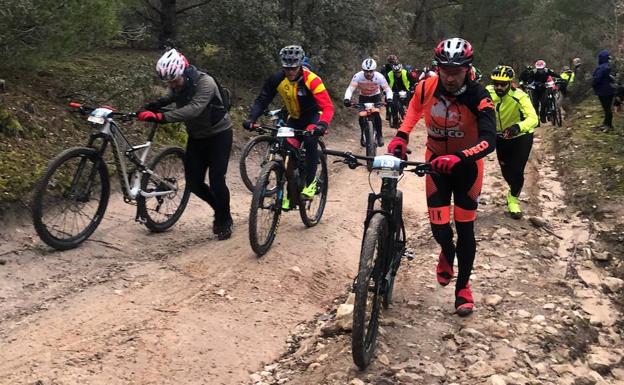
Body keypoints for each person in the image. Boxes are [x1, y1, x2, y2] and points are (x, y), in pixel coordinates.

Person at [387, 38, 496, 316]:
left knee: (465, 229)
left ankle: (463, 288)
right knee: (439, 228)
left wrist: (461, 157)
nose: (449, 76)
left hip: (467, 167)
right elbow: (412, 109)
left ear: (468, 70)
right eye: (444, 69)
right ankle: (447, 252)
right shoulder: (426, 87)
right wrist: (401, 135)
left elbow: (489, 140)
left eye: (456, 71)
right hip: (435, 162)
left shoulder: (479, 96)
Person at [140, 48, 234, 240]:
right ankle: (220, 209)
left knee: (217, 181)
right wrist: (156, 104)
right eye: (169, 82)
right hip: (197, 136)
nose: (172, 85)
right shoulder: (178, 83)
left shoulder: (205, 82)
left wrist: (161, 117)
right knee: (194, 183)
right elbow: (173, 96)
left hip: (219, 135)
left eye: (174, 81)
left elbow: (194, 109)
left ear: (183, 71)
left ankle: (224, 219)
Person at [244, 45, 334, 209]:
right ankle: (290, 194)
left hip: (314, 116)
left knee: (309, 138)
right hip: (295, 118)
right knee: (285, 149)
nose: (290, 71)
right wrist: (251, 118)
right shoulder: (277, 78)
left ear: (300, 64)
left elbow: (328, 107)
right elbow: (262, 100)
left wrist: (322, 124)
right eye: (287, 68)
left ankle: (311, 182)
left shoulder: (312, 80)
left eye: (293, 67)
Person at [486, 65, 538, 219]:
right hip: (500, 137)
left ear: (510, 83)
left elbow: (533, 118)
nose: (499, 87)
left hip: (521, 137)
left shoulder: (519, 95)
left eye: (503, 84)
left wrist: (518, 127)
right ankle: (513, 187)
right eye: (496, 83)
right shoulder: (487, 92)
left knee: (516, 171)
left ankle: (513, 199)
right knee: (506, 171)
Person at [344, 58, 393, 147]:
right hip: (363, 97)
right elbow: (350, 89)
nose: (368, 73)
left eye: (371, 71)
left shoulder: (379, 77)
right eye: (366, 71)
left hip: (376, 97)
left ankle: (379, 136)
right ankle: (363, 135)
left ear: (374, 70)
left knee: (376, 115)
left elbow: (387, 90)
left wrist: (389, 99)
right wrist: (347, 99)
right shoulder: (358, 76)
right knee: (361, 116)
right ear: (363, 70)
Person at [592, 50, 616, 131]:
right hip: (611, 90)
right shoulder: (610, 66)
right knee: (608, 108)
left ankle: (608, 125)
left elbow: (597, 79)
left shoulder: (602, 67)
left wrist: (593, 84)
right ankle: (606, 123)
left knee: (607, 108)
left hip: (603, 91)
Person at [387, 62, 412, 127]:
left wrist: (413, 87)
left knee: (409, 103)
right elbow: (385, 84)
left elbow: (412, 80)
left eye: (399, 72)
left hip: (405, 90)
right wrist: (386, 91)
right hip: (394, 91)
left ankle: (408, 117)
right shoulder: (389, 74)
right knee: (394, 105)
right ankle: (394, 122)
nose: (397, 74)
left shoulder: (406, 72)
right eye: (395, 72)